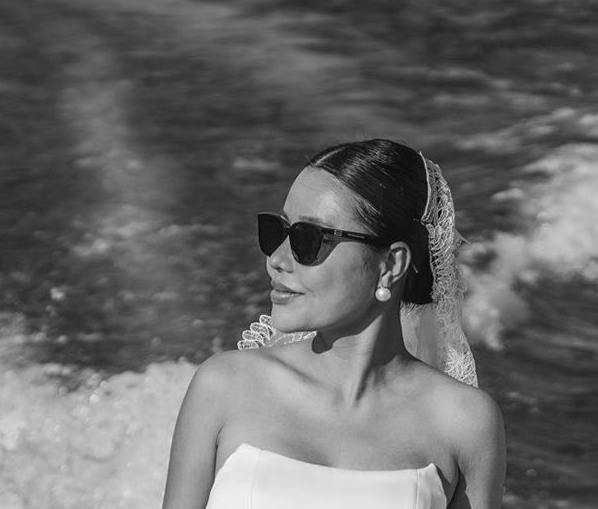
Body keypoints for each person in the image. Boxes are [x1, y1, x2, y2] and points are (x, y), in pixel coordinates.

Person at [162, 139, 505, 509]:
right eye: (277, 230)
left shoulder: (465, 424)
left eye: (307, 239)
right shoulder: (225, 387)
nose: (277, 259)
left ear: (390, 265)